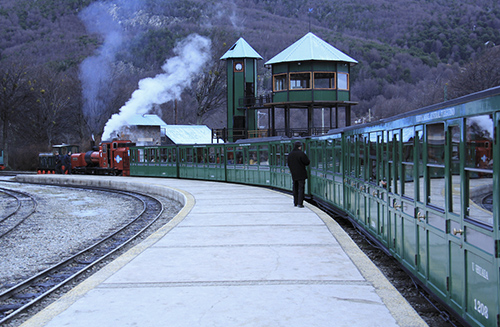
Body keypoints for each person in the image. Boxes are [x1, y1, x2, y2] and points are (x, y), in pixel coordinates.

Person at [287, 141, 310, 208]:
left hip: (294, 174)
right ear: (299, 147)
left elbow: (288, 163)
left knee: (295, 187)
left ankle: (295, 202)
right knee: (301, 188)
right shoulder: (301, 154)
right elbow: (307, 162)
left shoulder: (290, 154)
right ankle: (300, 203)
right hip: (301, 173)